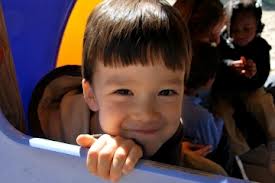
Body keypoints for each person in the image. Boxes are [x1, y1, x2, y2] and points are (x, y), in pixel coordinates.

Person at [74, 0, 229, 181]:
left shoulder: (210, 177)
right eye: (124, 92)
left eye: (166, 92)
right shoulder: (68, 159)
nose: (146, 114)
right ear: (91, 94)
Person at [212, 0, 274, 155]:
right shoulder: (223, 44)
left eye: (247, 29)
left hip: (250, 89)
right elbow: (216, 67)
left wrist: (254, 75)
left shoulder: (261, 47)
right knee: (221, 111)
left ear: (258, 26)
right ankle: (239, 150)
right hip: (225, 92)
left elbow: (262, 78)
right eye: (234, 30)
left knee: (261, 100)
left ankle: (273, 136)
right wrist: (229, 66)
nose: (240, 34)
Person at [182, 43, 223, 151]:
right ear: (210, 80)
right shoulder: (203, 117)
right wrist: (219, 120)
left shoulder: (166, 98)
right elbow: (211, 146)